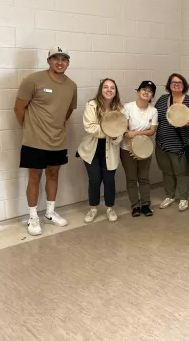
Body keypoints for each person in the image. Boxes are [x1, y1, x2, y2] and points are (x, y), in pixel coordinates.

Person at [13, 46, 78, 236]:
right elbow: (18, 109)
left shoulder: (71, 85)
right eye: (55, 58)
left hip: (58, 141)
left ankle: (49, 213)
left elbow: (67, 111)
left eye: (64, 59)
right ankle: (33, 216)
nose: (60, 62)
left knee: (53, 174)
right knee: (34, 177)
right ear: (48, 60)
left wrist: (54, 127)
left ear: (68, 62)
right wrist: (31, 129)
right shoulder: (32, 80)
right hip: (34, 141)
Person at [77, 79, 124, 223]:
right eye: (106, 87)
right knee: (95, 180)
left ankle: (110, 208)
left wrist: (115, 134)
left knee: (109, 180)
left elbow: (120, 131)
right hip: (91, 149)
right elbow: (90, 127)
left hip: (110, 150)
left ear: (115, 91)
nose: (109, 90)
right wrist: (111, 130)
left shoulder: (120, 109)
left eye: (112, 88)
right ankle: (93, 209)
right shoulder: (92, 105)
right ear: (101, 89)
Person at [155, 74, 189, 212]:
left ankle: (183, 198)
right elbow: (154, 116)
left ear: (184, 85)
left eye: (179, 82)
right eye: (173, 82)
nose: (176, 84)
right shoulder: (163, 100)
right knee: (167, 171)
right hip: (162, 143)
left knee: (182, 172)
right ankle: (170, 196)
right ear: (169, 85)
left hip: (181, 144)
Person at [120, 81, 159, 217]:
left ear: (152, 96)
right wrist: (127, 133)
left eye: (150, 91)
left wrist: (134, 133)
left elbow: (152, 131)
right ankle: (135, 206)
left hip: (145, 149)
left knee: (144, 178)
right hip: (127, 148)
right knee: (131, 178)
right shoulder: (128, 107)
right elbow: (123, 128)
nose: (146, 92)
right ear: (138, 91)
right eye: (144, 89)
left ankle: (145, 204)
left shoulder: (153, 111)